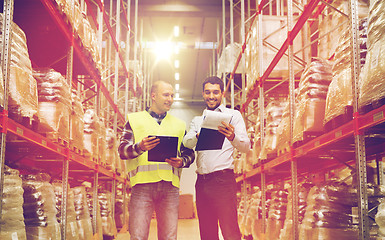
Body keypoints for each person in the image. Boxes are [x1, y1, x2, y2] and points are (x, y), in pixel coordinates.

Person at [118, 81, 195, 240]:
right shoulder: (134, 120)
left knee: (169, 237)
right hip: (142, 188)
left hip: (170, 188)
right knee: (138, 236)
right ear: (153, 96)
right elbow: (122, 151)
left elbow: (189, 153)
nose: (170, 99)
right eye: (166, 95)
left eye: (172, 95)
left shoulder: (179, 125)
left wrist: (182, 161)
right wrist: (140, 147)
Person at [183, 76, 251, 240]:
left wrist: (232, 136)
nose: (211, 96)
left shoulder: (233, 116)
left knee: (230, 231)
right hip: (202, 182)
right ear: (203, 94)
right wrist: (198, 135)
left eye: (215, 92)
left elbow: (246, 146)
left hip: (222, 180)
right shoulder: (197, 120)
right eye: (207, 92)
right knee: (207, 233)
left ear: (222, 93)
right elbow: (187, 142)